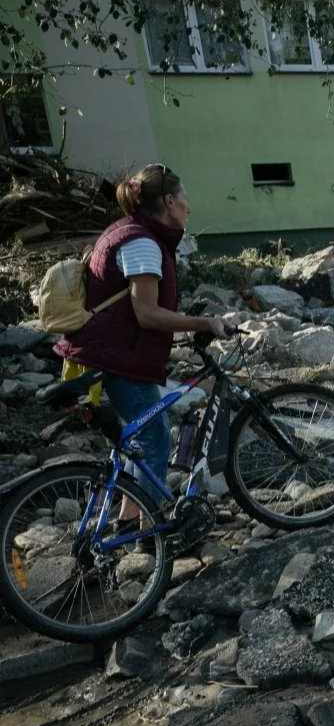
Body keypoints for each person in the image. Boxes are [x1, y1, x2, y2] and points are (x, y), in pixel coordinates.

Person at [55, 164, 226, 505]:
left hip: (113, 350)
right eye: (184, 199)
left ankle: (130, 525)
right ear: (168, 201)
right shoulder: (142, 243)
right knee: (154, 440)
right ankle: (146, 536)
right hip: (116, 356)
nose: (188, 207)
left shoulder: (130, 231)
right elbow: (146, 314)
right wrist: (205, 324)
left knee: (142, 440)